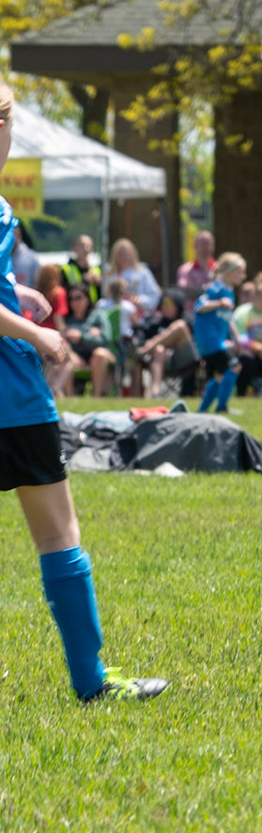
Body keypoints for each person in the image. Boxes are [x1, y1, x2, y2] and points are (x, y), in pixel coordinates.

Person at [0, 79, 165, 701]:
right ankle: (92, 682)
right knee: (58, 534)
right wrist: (38, 335)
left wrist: (18, 292)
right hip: (13, 397)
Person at [194, 253, 245, 413]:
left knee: (218, 375)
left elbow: (227, 318)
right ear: (229, 271)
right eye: (240, 272)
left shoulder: (229, 291)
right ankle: (221, 407)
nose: (243, 276)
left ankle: (202, 410)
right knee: (234, 367)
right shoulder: (215, 289)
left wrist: (236, 338)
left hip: (218, 340)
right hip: (210, 340)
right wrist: (219, 302)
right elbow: (199, 306)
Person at [72, 278, 135, 396]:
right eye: (72, 299)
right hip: (114, 345)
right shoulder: (127, 306)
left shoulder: (101, 307)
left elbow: (105, 336)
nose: (75, 302)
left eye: (79, 298)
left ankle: (101, 395)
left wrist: (84, 334)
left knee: (103, 355)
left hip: (114, 347)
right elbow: (135, 322)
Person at [134, 290, 198, 397]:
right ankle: (155, 392)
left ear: (177, 304)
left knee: (180, 326)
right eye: (163, 303)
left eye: (169, 303)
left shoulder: (188, 320)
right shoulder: (155, 323)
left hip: (185, 359)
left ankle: (145, 350)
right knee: (159, 349)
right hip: (163, 360)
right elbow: (141, 336)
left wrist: (150, 345)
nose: (165, 306)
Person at [32, 264, 74, 397]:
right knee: (69, 361)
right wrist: (64, 339)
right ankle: (56, 387)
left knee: (50, 364)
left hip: (37, 335)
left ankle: (48, 390)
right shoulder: (58, 292)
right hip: (52, 335)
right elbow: (58, 318)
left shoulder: (37, 293)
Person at [104, 237, 160, 315]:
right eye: (120, 254)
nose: (124, 257)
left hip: (138, 315)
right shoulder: (110, 274)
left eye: (127, 254)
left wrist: (140, 300)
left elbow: (155, 295)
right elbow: (105, 295)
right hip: (115, 314)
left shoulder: (142, 272)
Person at [59, 234, 100, 318]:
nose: (86, 249)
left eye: (89, 246)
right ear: (74, 248)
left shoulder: (96, 270)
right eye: (82, 246)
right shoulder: (66, 269)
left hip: (92, 312)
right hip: (72, 315)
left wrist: (99, 283)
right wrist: (84, 281)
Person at [176, 230, 218, 294]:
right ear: (194, 245)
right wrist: (205, 289)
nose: (206, 247)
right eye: (203, 243)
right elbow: (183, 290)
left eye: (209, 243)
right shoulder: (185, 269)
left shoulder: (219, 268)